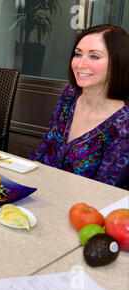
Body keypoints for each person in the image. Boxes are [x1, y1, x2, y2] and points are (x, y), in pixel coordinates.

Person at [28, 24, 129, 190]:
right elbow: (44, 150)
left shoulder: (123, 125)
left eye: (94, 56)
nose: (80, 64)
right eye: (78, 54)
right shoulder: (69, 96)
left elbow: (104, 191)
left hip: (84, 210)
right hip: (40, 193)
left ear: (119, 62)